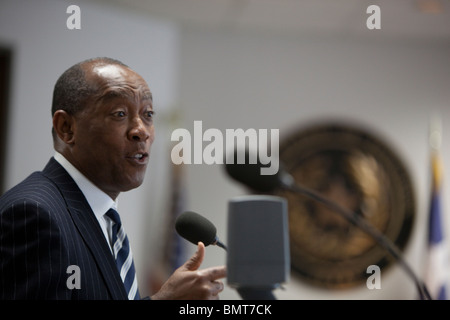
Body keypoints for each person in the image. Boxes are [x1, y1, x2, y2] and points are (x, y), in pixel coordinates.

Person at [0, 57, 226, 300]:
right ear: (66, 127)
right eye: (119, 114)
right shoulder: (33, 214)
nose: (141, 130)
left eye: (148, 114)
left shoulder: (104, 219)